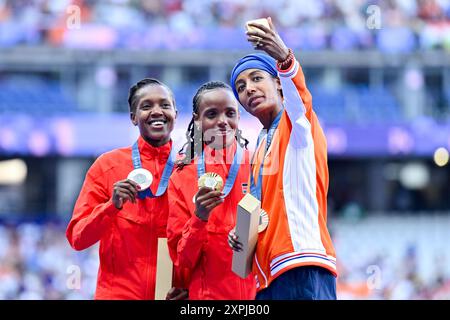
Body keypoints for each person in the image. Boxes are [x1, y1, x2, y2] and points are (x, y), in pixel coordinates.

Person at [228, 17, 337, 300]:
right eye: (240, 87)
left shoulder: (296, 124)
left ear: (278, 84)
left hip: (301, 263)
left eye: (256, 78)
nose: (248, 89)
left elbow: (300, 99)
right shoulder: (259, 146)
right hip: (268, 276)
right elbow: (258, 210)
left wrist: (284, 58)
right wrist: (241, 233)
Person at [66, 78, 188, 300]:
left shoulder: (189, 167)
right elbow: (78, 238)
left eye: (164, 105)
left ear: (175, 114)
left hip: (170, 295)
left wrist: (188, 287)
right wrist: (111, 206)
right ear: (133, 117)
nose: (157, 111)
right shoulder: (107, 166)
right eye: (146, 106)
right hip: (117, 294)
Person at [166, 81, 256, 300]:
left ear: (239, 118)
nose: (223, 121)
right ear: (197, 119)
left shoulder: (257, 164)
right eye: (212, 114)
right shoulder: (181, 174)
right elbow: (182, 261)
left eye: (230, 113)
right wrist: (200, 218)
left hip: (256, 297)